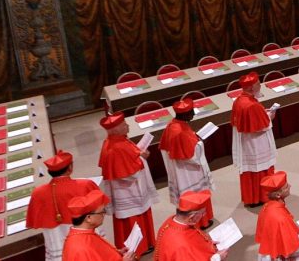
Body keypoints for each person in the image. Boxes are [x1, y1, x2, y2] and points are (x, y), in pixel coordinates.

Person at [97, 112, 156, 254]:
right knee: (133, 219)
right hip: (128, 191)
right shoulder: (116, 147)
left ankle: (147, 242)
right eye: (124, 124)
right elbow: (129, 174)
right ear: (116, 129)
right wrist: (142, 157)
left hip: (129, 189)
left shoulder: (118, 140)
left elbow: (131, 157)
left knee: (141, 214)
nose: (128, 126)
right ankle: (138, 248)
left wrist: (139, 154)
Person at [27, 150, 100, 261]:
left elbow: (33, 221)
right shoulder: (85, 185)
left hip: (57, 246)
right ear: (70, 168)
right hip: (84, 243)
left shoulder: (37, 193)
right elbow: (100, 212)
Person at [160, 100, 214, 229]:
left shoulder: (173, 125)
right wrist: (201, 143)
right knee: (195, 195)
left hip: (181, 169)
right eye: (191, 112)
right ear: (184, 115)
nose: (194, 114)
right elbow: (192, 156)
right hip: (188, 171)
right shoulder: (180, 132)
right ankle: (200, 222)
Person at [231, 72, 277, 208]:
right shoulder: (251, 105)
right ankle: (262, 196)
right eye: (258, 84)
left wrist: (263, 113)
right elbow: (261, 126)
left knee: (251, 170)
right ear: (251, 88)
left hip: (247, 142)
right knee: (260, 169)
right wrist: (270, 116)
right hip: (257, 143)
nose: (260, 86)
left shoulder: (239, 100)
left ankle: (252, 197)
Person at [152, 191, 229, 260]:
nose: (204, 215)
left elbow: (194, 240)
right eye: (202, 213)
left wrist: (207, 244)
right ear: (191, 217)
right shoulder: (181, 246)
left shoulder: (172, 221)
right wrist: (217, 258)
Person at [63, 190, 138, 261]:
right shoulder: (80, 249)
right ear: (89, 218)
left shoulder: (85, 234)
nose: (104, 215)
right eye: (102, 212)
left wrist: (118, 253)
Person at [255, 172, 299, 261]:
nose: (290, 186)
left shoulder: (266, 207)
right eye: (286, 187)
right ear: (278, 195)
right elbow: (294, 248)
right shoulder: (281, 218)